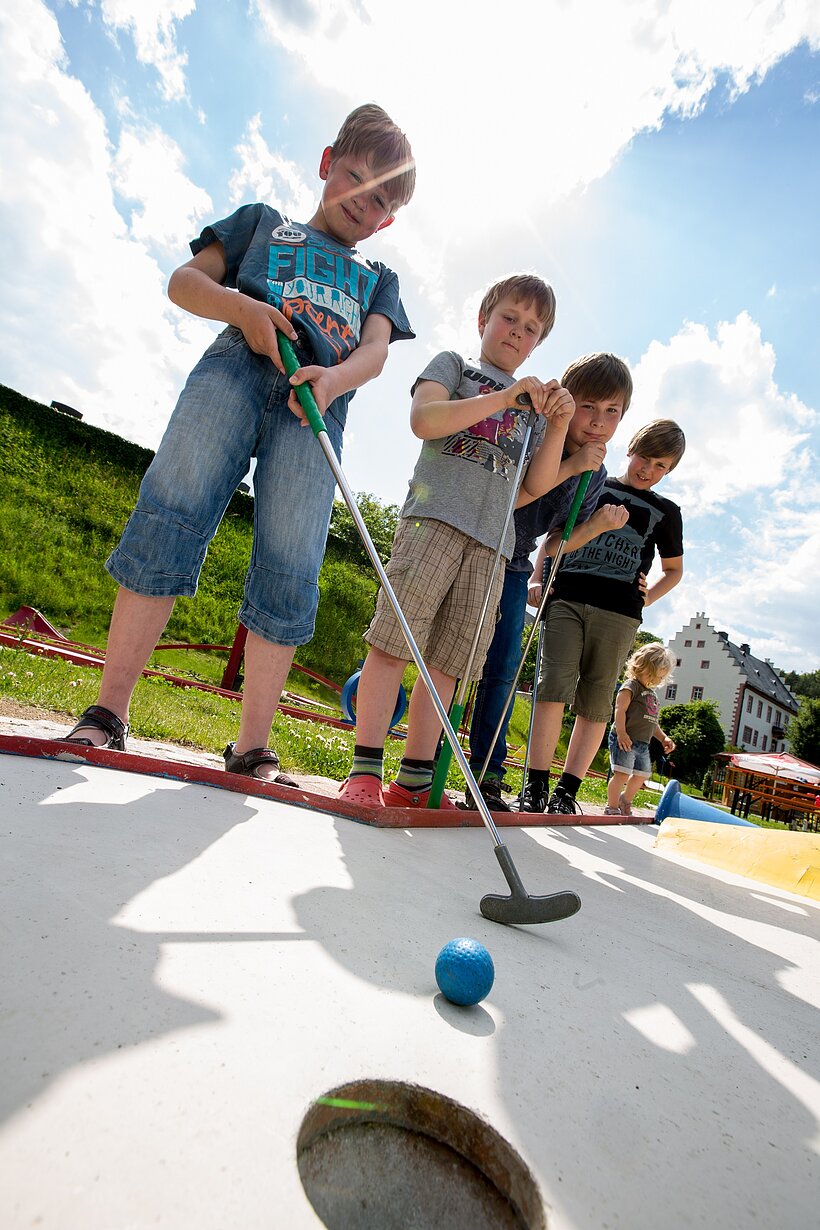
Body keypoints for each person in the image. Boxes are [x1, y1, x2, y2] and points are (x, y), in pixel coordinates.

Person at [59, 104, 416, 784]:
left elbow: (374, 355)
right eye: (353, 177)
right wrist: (246, 310)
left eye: (378, 199)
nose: (360, 201)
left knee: (290, 560)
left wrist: (334, 379)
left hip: (317, 404)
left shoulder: (379, 279)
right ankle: (107, 712)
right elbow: (185, 282)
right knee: (173, 507)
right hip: (233, 370)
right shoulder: (262, 224)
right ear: (325, 163)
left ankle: (253, 745)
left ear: (388, 220)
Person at [338, 273, 576, 807]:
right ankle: (365, 771)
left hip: (493, 545)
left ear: (539, 342)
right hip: (435, 522)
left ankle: (416, 778)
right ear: (483, 320)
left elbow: (533, 485)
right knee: (393, 643)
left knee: (448, 662)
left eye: (531, 328)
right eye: (508, 318)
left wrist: (556, 425)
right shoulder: (455, 366)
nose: (517, 332)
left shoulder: (533, 411)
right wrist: (505, 398)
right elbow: (425, 420)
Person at [464, 352, 634, 812]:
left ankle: (487, 776)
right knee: (457, 660)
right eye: (589, 407)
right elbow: (510, 498)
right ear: (567, 400)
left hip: (516, 563)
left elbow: (556, 543)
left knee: (502, 669)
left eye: (612, 412)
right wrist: (571, 462)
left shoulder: (595, 474)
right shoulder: (537, 433)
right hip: (477, 543)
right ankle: (427, 759)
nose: (598, 422)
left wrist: (595, 528)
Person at [514, 417, 686, 813]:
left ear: (670, 470)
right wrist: (538, 578)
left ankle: (566, 792)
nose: (648, 470)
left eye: (661, 466)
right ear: (631, 449)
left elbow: (674, 571)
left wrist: (646, 599)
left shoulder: (666, 511)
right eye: (645, 458)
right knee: (552, 684)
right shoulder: (597, 482)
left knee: (594, 699)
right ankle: (536, 785)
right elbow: (555, 536)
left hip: (620, 612)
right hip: (567, 597)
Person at [604, 643, 677, 815]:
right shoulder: (632, 686)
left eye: (659, 679)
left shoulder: (651, 694)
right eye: (653, 676)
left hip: (642, 744)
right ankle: (612, 807)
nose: (656, 681)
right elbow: (619, 710)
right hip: (625, 739)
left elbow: (652, 722)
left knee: (642, 775)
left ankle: (624, 800)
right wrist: (621, 733)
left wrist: (664, 738)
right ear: (642, 666)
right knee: (621, 774)